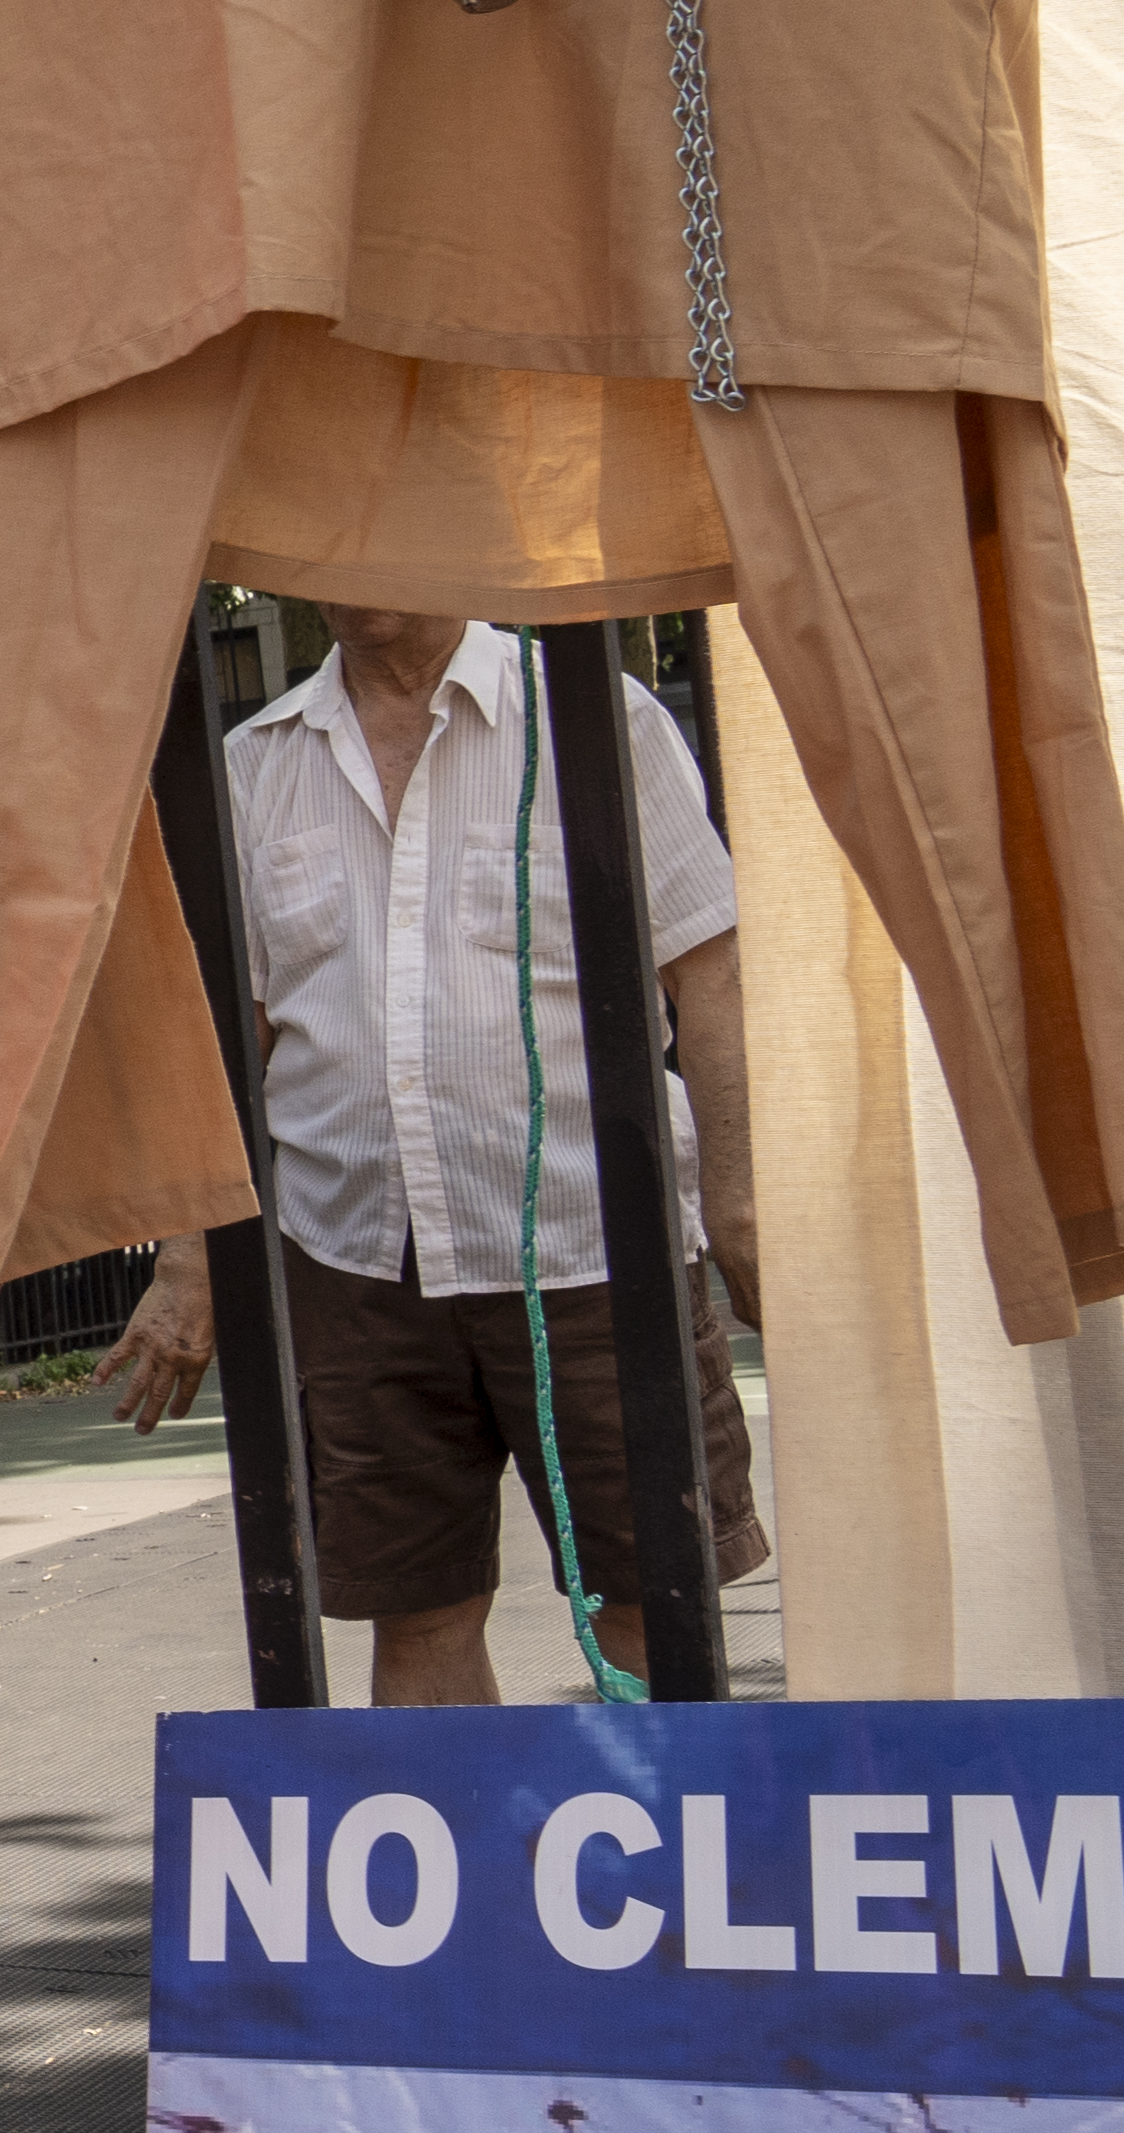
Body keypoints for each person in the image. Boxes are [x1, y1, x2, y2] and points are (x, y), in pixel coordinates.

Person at [102, 609, 764, 1702]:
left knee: (653, 1610)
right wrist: (190, 1257)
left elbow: (708, 970)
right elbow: (230, 1033)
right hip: (355, 1257)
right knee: (414, 1617)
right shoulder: (258, 760)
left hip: (591, 1242)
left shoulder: (590, 720)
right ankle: (466, 1873)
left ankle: (687, 1868)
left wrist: (737, 1201)